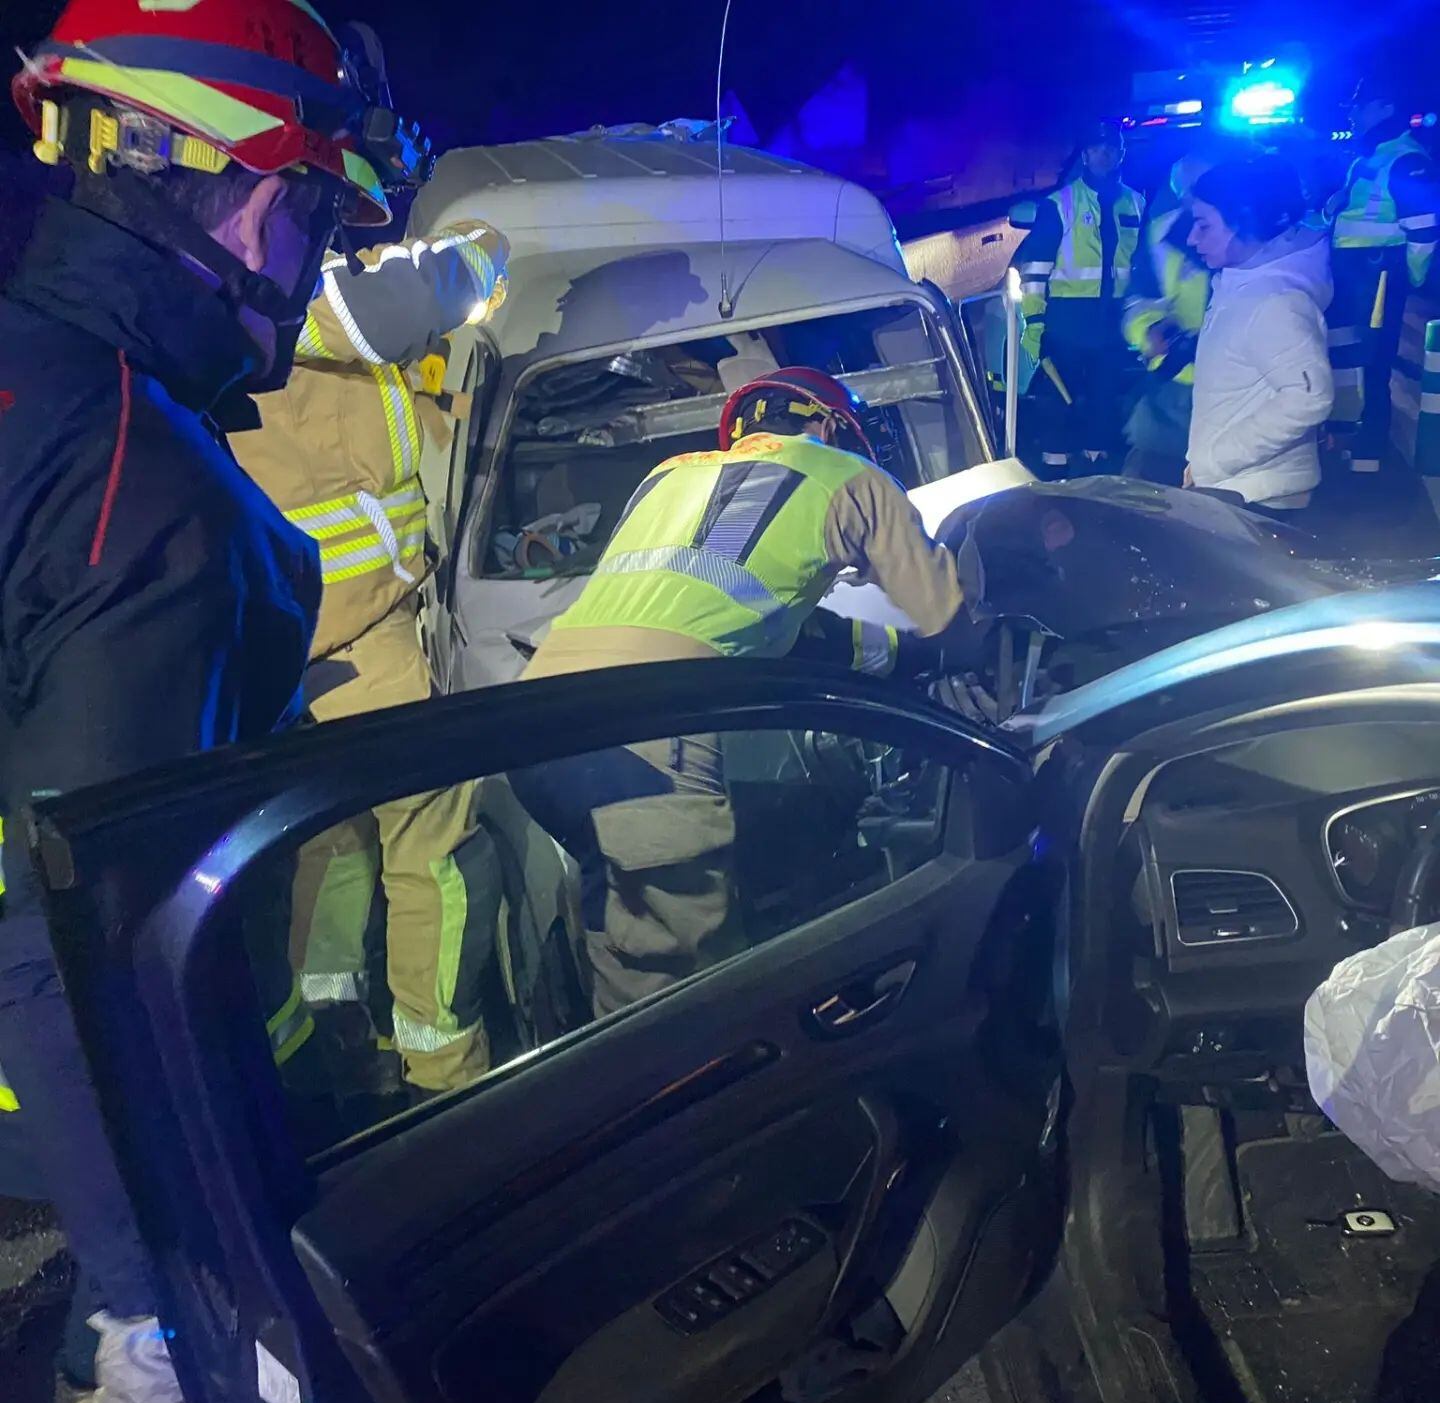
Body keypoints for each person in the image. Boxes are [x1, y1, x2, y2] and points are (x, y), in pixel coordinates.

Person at [0, 0, 401, 1403]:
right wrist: (152, 1301)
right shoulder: (149, 491)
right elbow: (79, 953)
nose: (315, 263)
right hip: (138, 1156)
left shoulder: (36, 379)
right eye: (317, 216)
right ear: (244, 192)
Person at [510, 368, 967, 1017]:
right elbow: (946, 615)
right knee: (691, 998)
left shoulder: (670, 477)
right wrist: (966, 644)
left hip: (531, 725)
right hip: (643, 735)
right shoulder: (843, 474)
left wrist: (902, 655)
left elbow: (797, 634)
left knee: (622, 946)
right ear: (827, 424)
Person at [229, 213, 510, 1095]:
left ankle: (331, 1031)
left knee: (333, 833)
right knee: (438, 843)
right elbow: (414, 297)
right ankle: (445, 1069)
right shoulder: (295, 286)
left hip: (284, 634)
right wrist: (482, 243)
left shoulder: (217, 300)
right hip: (355, 625)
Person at [1185, 157, 1335, 510]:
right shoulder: (1239, 287)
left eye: (1204, 225)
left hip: (1258, 496)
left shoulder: (1275, 301)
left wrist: (1213, 461)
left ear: (1245, 221)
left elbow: (1308, 396)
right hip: (1237, 486)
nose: (1191, 238)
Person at [1016, 119, 1146, 477]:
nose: (1105, 156)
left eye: (1111, 149)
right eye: (1096, 149)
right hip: (1067, 318)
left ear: (1121, 154)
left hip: (1113, 318)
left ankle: (1097, 463)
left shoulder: (1136, 202)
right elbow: (1035, 270)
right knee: (1059, 395)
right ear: (1085, 156)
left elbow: (1141, 263)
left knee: (1104, 395)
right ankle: (1055, 466)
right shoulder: (1061, 203)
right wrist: (1035, 322)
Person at [1326, 74, 1440, 476]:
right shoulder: (1373, 154)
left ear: (1387, 108)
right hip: (1355, 272)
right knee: (1348, 355)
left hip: (1379, 272)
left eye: (1361, 105)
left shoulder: (1407, 159)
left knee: (1373, 360)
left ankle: (1370, 449)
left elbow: (1423, 230)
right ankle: (1350, 437)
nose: (1352, 113)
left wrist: (1412, 277)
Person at [1122, 152, 1220, 486]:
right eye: (1187, 191)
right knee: (1150, 490)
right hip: (1176, 384)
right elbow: (1139, 300)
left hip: (1234, 386)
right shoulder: (1161, 232)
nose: (1194, 199)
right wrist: (1150, 331)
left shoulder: (1252, 231)